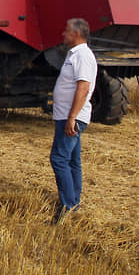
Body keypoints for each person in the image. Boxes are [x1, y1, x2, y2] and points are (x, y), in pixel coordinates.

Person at [50, 18, 97, 223]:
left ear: (77, 34)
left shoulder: (83, 56)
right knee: (72, 160)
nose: (64, 34)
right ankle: (74, 201)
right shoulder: (74, 54)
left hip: (71, 117)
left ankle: (68, 206)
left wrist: (72, 117)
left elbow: (84, 87)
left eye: (67, 31)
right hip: (66, 115)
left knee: (58, 159)